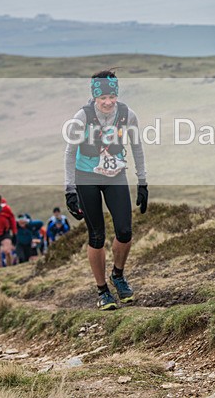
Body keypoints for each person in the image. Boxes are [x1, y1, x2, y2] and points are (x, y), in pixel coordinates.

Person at [63, 70, 148, 310]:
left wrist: (142, 182)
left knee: (124, 231)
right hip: (86, 177)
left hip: (115, 175)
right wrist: (70, 190)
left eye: (112, 96)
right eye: (103, 98)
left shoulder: (127, 115)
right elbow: (69, 153)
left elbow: (137, 147)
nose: (108, 102)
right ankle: (102, 291)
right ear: (95, 98)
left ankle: (118, 276)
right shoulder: (82, 117)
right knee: (96, 236)